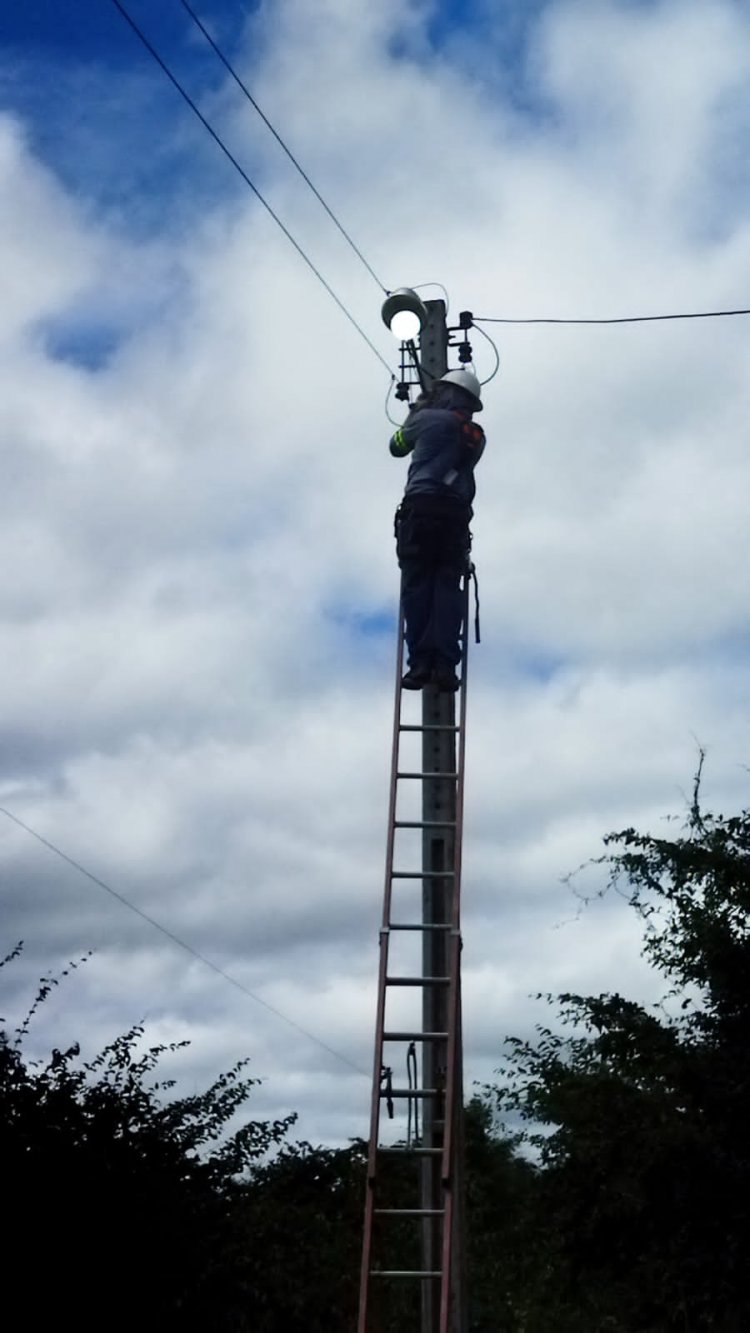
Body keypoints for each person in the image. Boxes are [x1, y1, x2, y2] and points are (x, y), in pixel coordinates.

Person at [390, 368, 485, 691]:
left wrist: (415, 413)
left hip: (421, 510)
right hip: (455, 518)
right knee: (446, 588)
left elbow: (397, 445)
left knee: (418, 588)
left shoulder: (428, 419)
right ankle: (444, 665)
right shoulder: (475, 435)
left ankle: (420, 664)